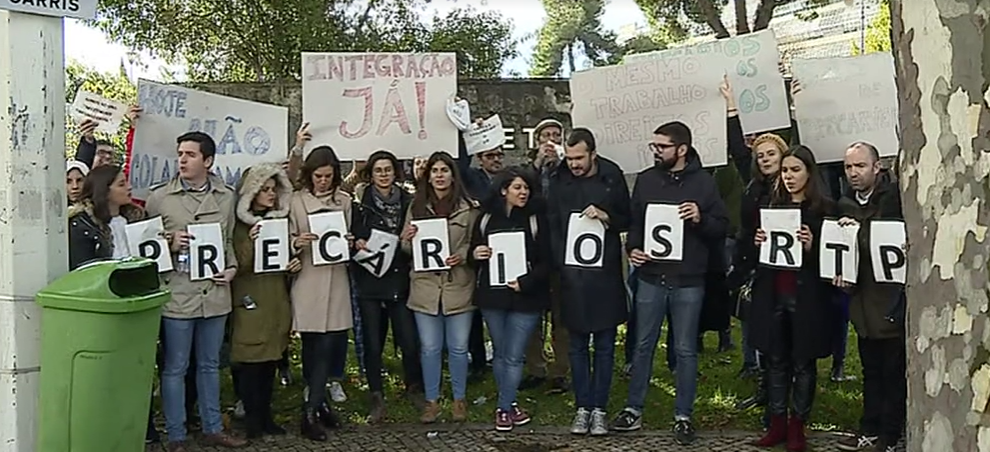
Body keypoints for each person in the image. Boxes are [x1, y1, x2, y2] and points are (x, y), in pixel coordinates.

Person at [615, 121, 728, 445]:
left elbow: (722, 226)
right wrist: (633, 248)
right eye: (654, 146)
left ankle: (683, 415)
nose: (655, 152)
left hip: (688, 279)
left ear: (682, 149)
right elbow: (636, 221)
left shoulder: (705, 183)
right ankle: (633, 409)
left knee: (685, 349)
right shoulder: (647, 180)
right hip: (650, 276)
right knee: (642, 345)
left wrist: (700, 218)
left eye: (661, 147)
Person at [145, 132, 246, 451]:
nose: (183, 160)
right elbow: (145, 249)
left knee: (209, 365)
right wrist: (169, 244)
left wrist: (232, 269)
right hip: (178, 294)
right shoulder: (159, 198)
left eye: (190, 154)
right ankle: (176, 435)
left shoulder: (227, 196)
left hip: (215, 296)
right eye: (180, 154)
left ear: (208, 161)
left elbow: (228, 241)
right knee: (175, 366)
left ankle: (213, 427)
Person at [750, 145, 836, 452]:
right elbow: (759, 250)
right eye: (785, 170)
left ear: (809, 173)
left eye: (795, 170)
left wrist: (814, 247)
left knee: (803, 362)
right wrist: (759, 241)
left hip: (807, 297)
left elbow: (835, 261)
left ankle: (798, 425)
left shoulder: (824, 209)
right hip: (774, 294)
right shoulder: (772, 205)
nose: (788, 176)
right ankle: (776, 423)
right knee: (775, 360)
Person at [546, 128, 630, 437]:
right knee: (577, 345)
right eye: (569, 158)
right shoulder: (557, 178)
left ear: (593, 153)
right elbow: (551, 222)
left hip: (604, 273)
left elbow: (627, 217)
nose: (574, 164)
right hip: (571, 274)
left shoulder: (612, 174)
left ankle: (600, 408)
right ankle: (583, 406)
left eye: (579, 158)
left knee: (605, 345)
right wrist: (560, 265)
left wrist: (606, 216)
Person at [834, 142, 906, 452]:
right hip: (861, 304)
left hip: (889, 303)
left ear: (877, 167)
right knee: (870, 371)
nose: (853, 173)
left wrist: (858, 231)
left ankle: (890, 435)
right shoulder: (845, 204)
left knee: (892, 374)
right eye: (849, 167)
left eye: (860, 166)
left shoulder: (895, 200)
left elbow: (887, 242)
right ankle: (868, 428)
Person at [469, 167, 551, 431]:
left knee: (514, 356)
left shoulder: (537, 219)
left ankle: (504, 408)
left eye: (526, 187)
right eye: (517, 187)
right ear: (503, 190)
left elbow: (547, 261)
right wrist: (477, 254)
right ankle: (510, 403)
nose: (523, 192)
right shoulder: (485, 218)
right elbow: (473, 254)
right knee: (502, 353)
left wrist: (525, 282)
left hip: (526, 297)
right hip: (493, 297)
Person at [400, 151, 479, 424]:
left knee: (458, 347)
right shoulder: (416, 206)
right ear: (428, 175)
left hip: (458, 285)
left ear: (453, 175)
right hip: (425, 288)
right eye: (435, 171)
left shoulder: (468, 208)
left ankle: (459, 399)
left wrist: (463, 254)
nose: (440, 175)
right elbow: (406, 247)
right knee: (430, 348)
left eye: (445, 170)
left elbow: (474, 242)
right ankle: (431, 401)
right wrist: (407, 238)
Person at [351, 150, 424, 423]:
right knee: (372, 342)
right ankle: (376, 394)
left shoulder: (409, 200)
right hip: (370, 279)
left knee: (408, 339)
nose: (383, 175)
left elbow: (419, 237)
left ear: (396, 172)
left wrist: (410, 238)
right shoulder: (359, 201)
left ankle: (413, 387)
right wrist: (356, 241)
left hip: (399, 277)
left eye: (388, 169)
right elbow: (350, 232)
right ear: (370, 174)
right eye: (378, 170)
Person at [228, 163, 299, 438]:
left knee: (270, 360)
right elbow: (237, 263)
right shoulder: (239, 225)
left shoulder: (277, 220)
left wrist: (291, 264)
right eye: (265, 190)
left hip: (275, 297)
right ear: (252, 193)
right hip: (249, 297)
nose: (271, 194)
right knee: (250, 362)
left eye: (273, 189)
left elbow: (277, 260)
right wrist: (251, 242)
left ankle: (266, 416)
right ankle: (252, 418)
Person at [287, 146, 352, 442]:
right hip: (310, 281)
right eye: (318, 176)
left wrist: (349, 241)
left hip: (336, 280)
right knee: (312, 346)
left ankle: (316, 405)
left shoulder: (345, 202)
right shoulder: (297, 201)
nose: (323, 182)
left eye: (328, 176)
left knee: (330, 345)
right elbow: (285, 238)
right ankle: (312, 408)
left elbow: (348, 237)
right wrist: (296, 242)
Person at [519, 117, 570, 395]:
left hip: (562, 250)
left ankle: (560, 371)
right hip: (534, 251)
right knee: (531, 315)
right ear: (537, 142)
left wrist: (561, 161)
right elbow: (522, 187)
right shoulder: (529, 170)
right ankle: (536, 369)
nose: (551, 140)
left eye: (555, 135)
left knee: (562, 318)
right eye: (545, 136)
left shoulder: (569, 168)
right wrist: (538, 163)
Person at [67, 164, 145, 269]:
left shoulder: (136, 219)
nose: (129, 187)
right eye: (122, 184)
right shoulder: (83, 226)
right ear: (104, 191)